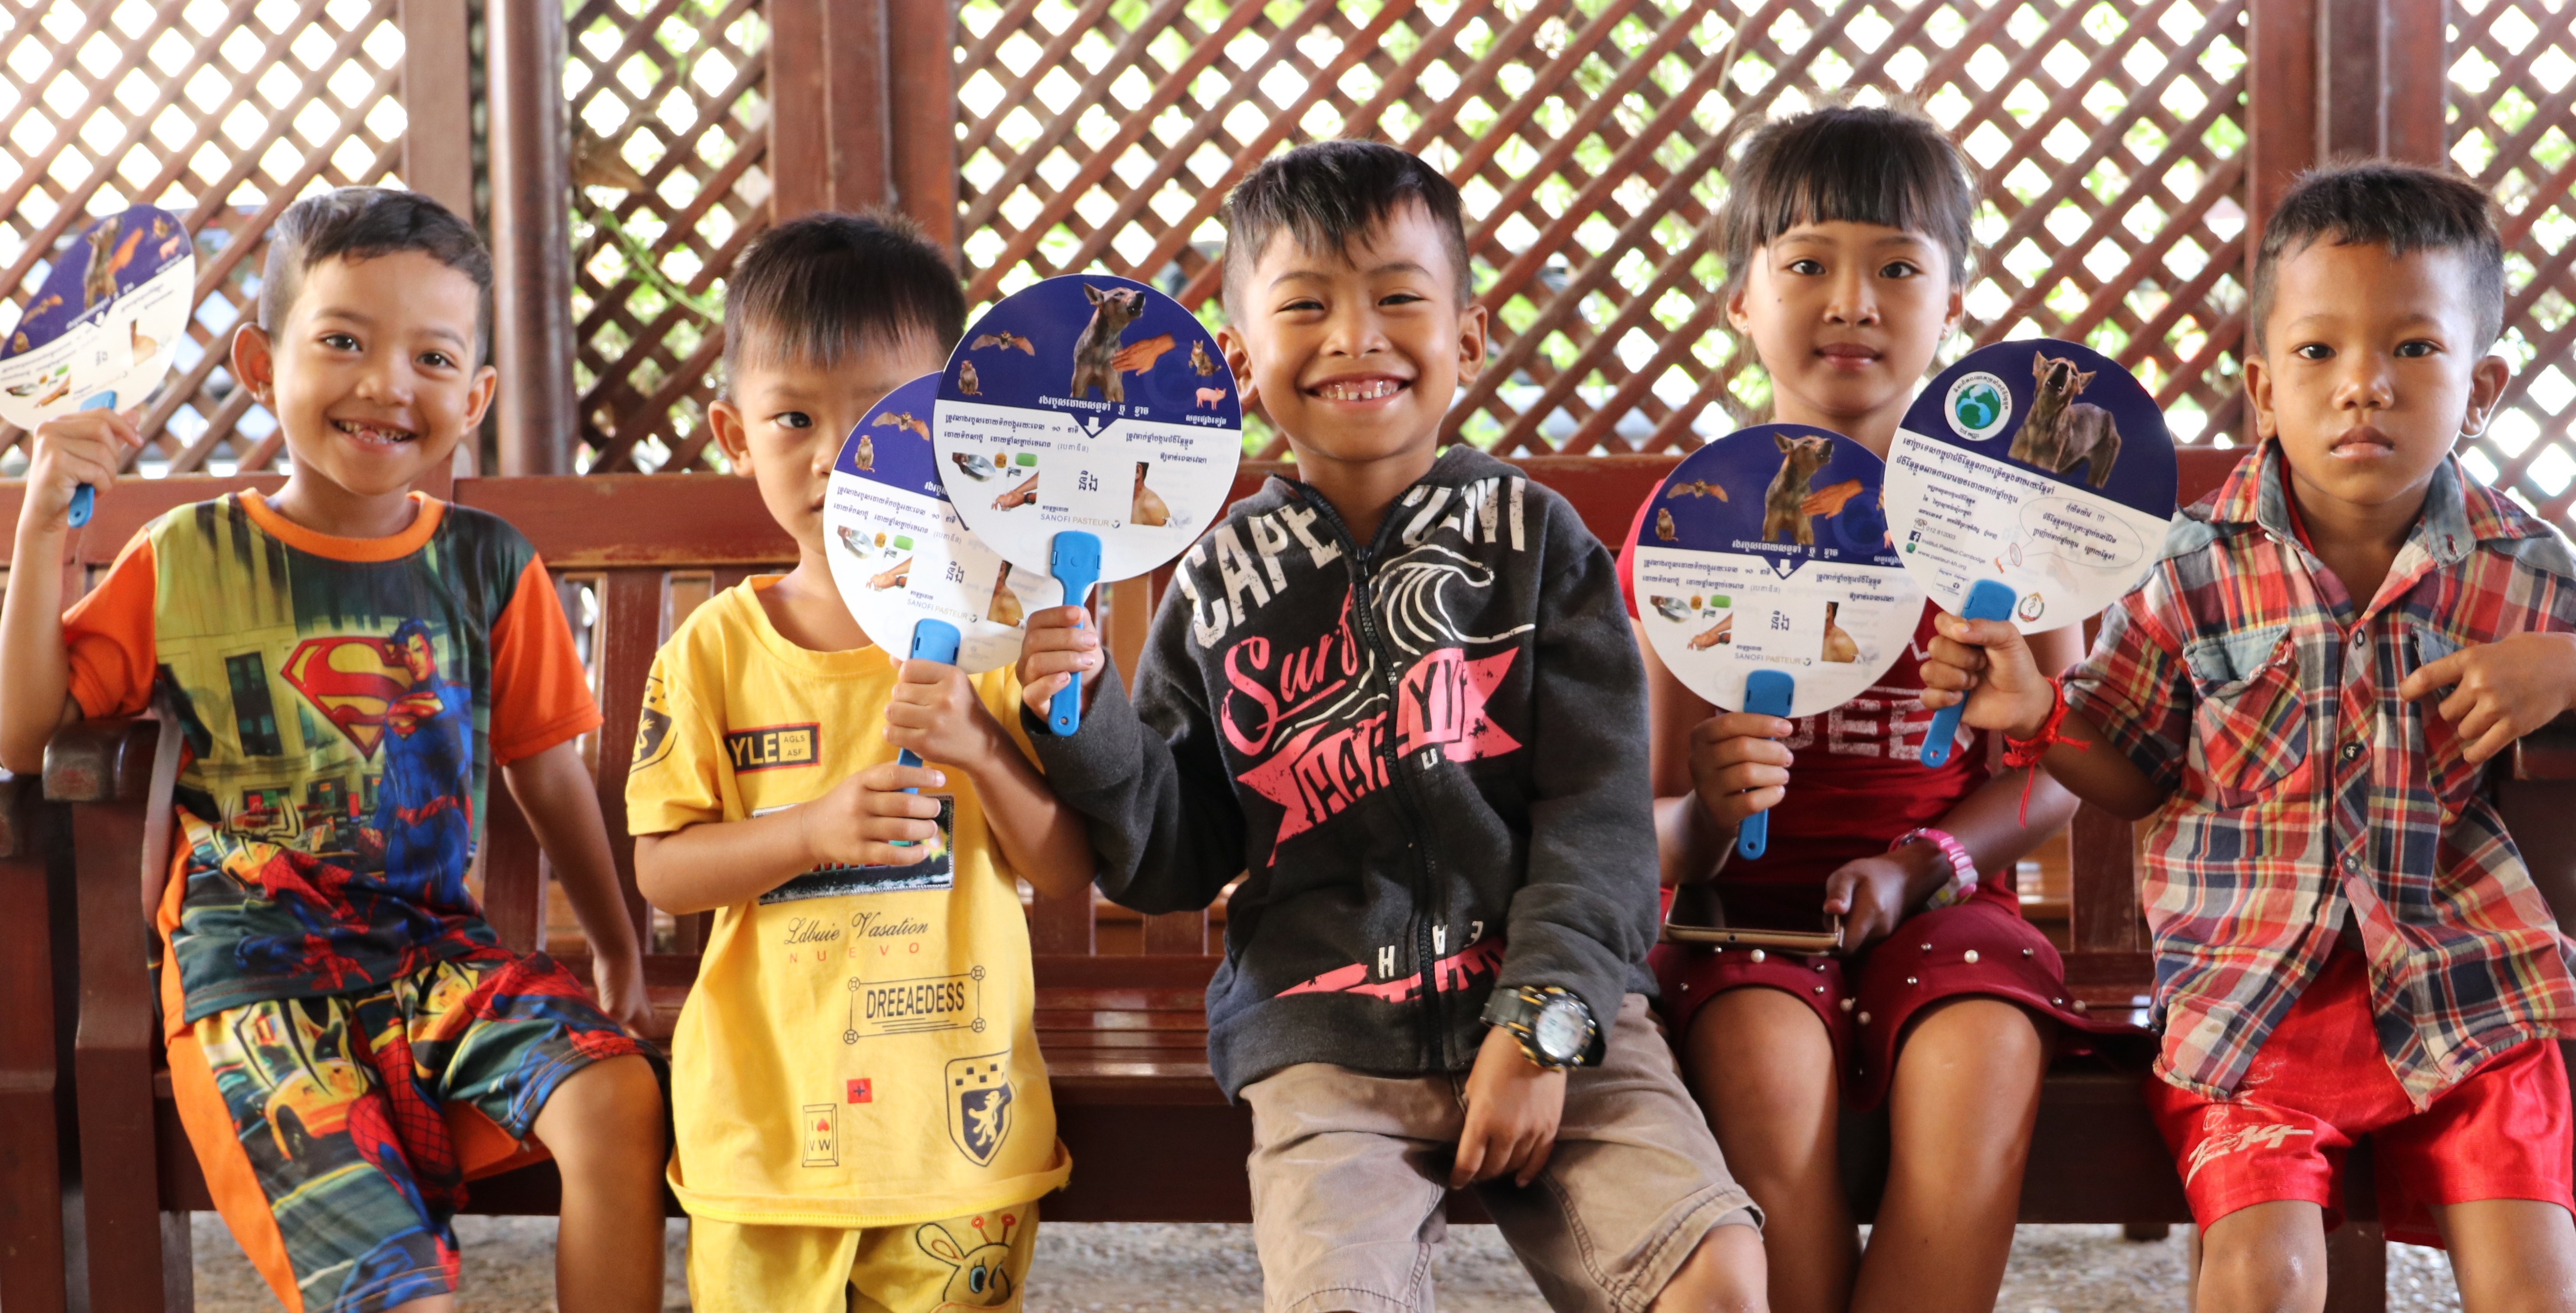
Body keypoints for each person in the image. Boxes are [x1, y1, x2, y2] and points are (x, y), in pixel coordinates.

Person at [1018, 139, 1768, 1313]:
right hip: (1321, 1038)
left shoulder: (1536, 544)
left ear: (1465, 340)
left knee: (1715, 1275)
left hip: (1559, 1000)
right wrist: (1081, 719)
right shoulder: (1214, 581)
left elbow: (1602, 821)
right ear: (1235, 362)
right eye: (1305, 305)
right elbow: (1172, 854)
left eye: (1399, 300)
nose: (1354, 336)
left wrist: (1541, 1024)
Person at [1920, 161, 2576, 1313]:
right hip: (2249, 1001)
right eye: (2319, 353)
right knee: (2260, 1279)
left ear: (2483, 388)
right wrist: (2041, 718)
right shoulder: (2187, 566)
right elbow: (2128, 768)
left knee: (2537, 1284)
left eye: (2414, 349)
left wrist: (2567, 662)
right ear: (2263, 390)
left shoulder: (2525, 574)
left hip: (2464, 994)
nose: (2362, 385)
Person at [0, 188, 665, 1313]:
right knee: (397, 1290)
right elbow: (23, 733)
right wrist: (42, 521)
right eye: (344, 341)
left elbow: (546, 771)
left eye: (432, 356)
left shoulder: (490, 566)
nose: (386, 384)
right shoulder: (187, 555)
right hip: (258, 973)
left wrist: (616, 943)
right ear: (263, 364)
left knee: (614, 1096)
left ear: (477, 394)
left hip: (433, 955)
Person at [1618, 104, 2104, 1313]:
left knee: (1980, 1068)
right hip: (1746, 921)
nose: (1852, 300)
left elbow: (2056, 765)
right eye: (1806, 264)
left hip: (1948, 902)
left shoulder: (2005, 523)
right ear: (1739, 298)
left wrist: (1920, 862)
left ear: (1951, 306)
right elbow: (1653, 807)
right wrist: (1721, 809)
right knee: (1764, 1087)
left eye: (1897, 266)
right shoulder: (1695, 532)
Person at [625, 213, 1088, 1313]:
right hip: (766, 1127)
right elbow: (663, 873)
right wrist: (810, 833)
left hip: (954, 1135)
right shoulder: (714, 652)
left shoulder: (1003, 633)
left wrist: (977, 742)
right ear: (734, 435)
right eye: (793, 418)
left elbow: (1064, 866)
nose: (836, 457)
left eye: (887, 417)